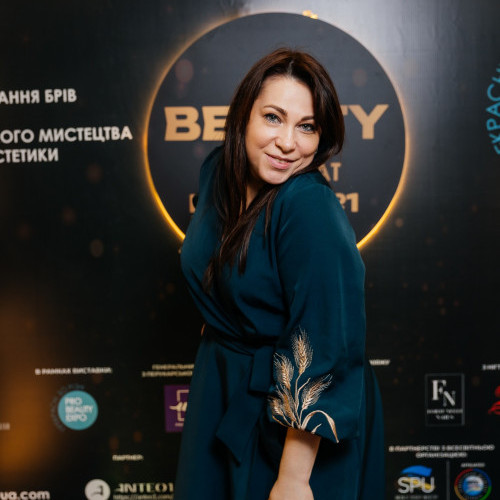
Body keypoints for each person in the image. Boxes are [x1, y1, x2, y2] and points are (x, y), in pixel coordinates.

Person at [174, 48, 385, 499]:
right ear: (243, 116)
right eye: (273, 117)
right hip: (222, 382)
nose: (288, 143)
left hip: (296, 421)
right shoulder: (217, 171)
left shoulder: (308, 206)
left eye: (306, 126)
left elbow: (326, 342)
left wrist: (294, 477)